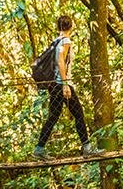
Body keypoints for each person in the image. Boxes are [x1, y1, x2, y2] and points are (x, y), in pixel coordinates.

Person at [33, 15, 102, 158]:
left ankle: (39, 148)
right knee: (79, 114)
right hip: (61, 84)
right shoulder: (65, 41)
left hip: (54, 84)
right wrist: (65, 84)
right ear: (71, 26)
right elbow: (60, 60)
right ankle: (87, 148)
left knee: (53, 116)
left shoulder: (56, 41)